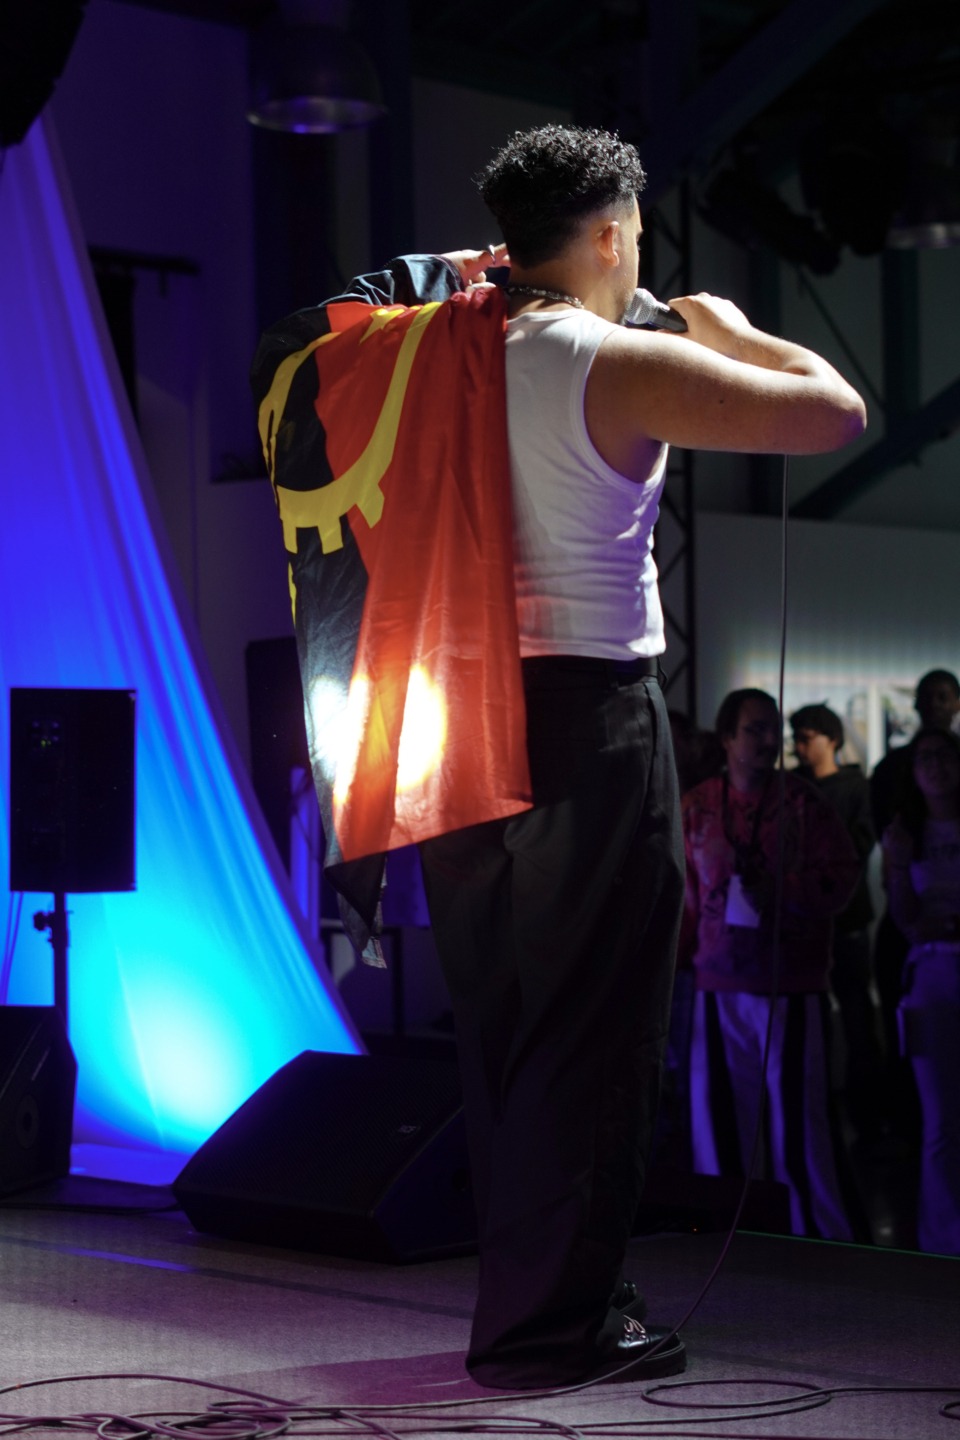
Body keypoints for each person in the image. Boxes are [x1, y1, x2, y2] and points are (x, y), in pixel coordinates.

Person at [255, 124, 866, 1390]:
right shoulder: (612, 357)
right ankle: (552, 1330)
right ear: (607, 235)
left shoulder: (426, 345)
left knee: (508, 1027)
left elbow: (318, 343)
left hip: (457, 715)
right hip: (586, 721)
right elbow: (835, 411)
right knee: (597, 1031)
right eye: (630, 236)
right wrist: (735, 331)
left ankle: (540, 1297)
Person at [683, 689, 865, 1240]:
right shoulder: (697, 807)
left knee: (800, 1125)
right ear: (727, 738)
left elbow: (843, 878)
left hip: (792, 986)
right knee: (721, 1125)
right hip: (716, 986)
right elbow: (683, 897)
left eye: (773, 729)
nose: (769, 740)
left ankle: (821, 1245)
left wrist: (783, 889)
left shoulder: (806, 804)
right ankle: (727, 1245)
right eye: (755, 729)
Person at [870, 669, 960, 1141]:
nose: (935, 704)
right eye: (929, 696)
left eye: (944, 696)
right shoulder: (896, 788)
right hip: (921, 956)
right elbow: (902, 906)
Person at [881, 727, 960, 1255]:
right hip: (931, 975)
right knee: (941, 1120)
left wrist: (946, 922)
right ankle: (943, 1244)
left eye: (944, 755)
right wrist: (895, 863)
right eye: (924, 757)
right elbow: (906, 919)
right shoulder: (905, 832)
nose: (935, 765)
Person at [790, 702, 882, 1136]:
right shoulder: (795, 787)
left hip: (843, 919)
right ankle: (827, 1113)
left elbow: (860, 846)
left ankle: (865, 1114)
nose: (799, 747)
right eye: (797, 738)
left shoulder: (853, 787)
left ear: (831, 740)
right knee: (819, 1018)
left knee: (855, 1017)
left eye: (807, 738)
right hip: (812, 920)